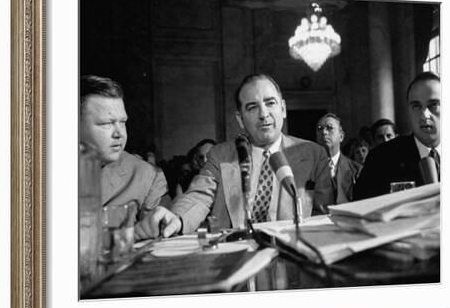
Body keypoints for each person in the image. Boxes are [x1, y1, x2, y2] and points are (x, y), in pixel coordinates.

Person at [140, 74, 332, 238]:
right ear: (240, 118)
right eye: (252, 107)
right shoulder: (220, 155)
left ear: (282, 108)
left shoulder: (314, 154)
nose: (264, 114)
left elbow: (325, 217)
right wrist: (177, 218)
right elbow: (199, 196)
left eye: (270, 103)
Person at [80, 75, 169, 233]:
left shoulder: (147, 177)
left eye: (123, 122)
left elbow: (160, 244)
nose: (120, 133)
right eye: (107, 123)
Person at [354, 72, 441, 199]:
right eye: (416, 106)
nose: (424, 115)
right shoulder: (380, 158)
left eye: (433, 105)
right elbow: (359, 209)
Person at [315, 113, 362, 204]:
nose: (324, 132)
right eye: (320, 129)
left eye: (329, 128)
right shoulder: (308, 170)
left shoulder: (356, 170)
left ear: (341, 136)